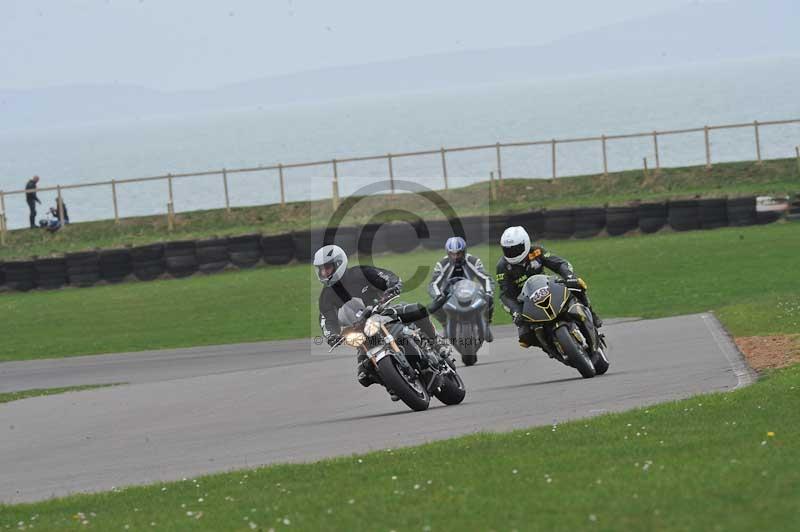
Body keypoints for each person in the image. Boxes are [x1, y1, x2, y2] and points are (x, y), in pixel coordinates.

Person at [314, 244, 449, 393]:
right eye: (321, 269)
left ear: (338, 264)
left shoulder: (360, 273)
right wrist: (332, 335)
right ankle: (393, 385)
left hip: (383, 312)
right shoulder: (325, 297)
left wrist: (393, 286)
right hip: (361, 331)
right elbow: (327, 320)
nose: (324, 272)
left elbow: (387, 277)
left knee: (416, 309)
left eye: (327, 268)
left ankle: (436, 342)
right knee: (363, 375)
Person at [496, 226, 603, 349]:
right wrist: (515, 312)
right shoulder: (502, 266)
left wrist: (569, 276)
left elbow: (559, 264)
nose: (512, 254)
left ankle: (592, 315)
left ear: (526, 243)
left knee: (578, 285)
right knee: (525, 338)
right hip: (525, 301)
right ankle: (548, 347)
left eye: (516, 249)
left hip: (547, 288)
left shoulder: (536, 251)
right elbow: (505, 294)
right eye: (508, 250)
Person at [428, 236, 494, 342]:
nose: (455, 257)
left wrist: (488, 292)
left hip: (472, 290)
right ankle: (445, 324)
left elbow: (486, 278)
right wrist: (438, 295)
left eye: (458, 253)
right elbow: (433, 284)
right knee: (432, 307)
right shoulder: (441, 264)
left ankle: (486, 322)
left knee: (489, 299)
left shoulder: (473, 261)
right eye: (452, 254)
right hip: (449, 293)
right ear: (448, 253)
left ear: (464, 252)